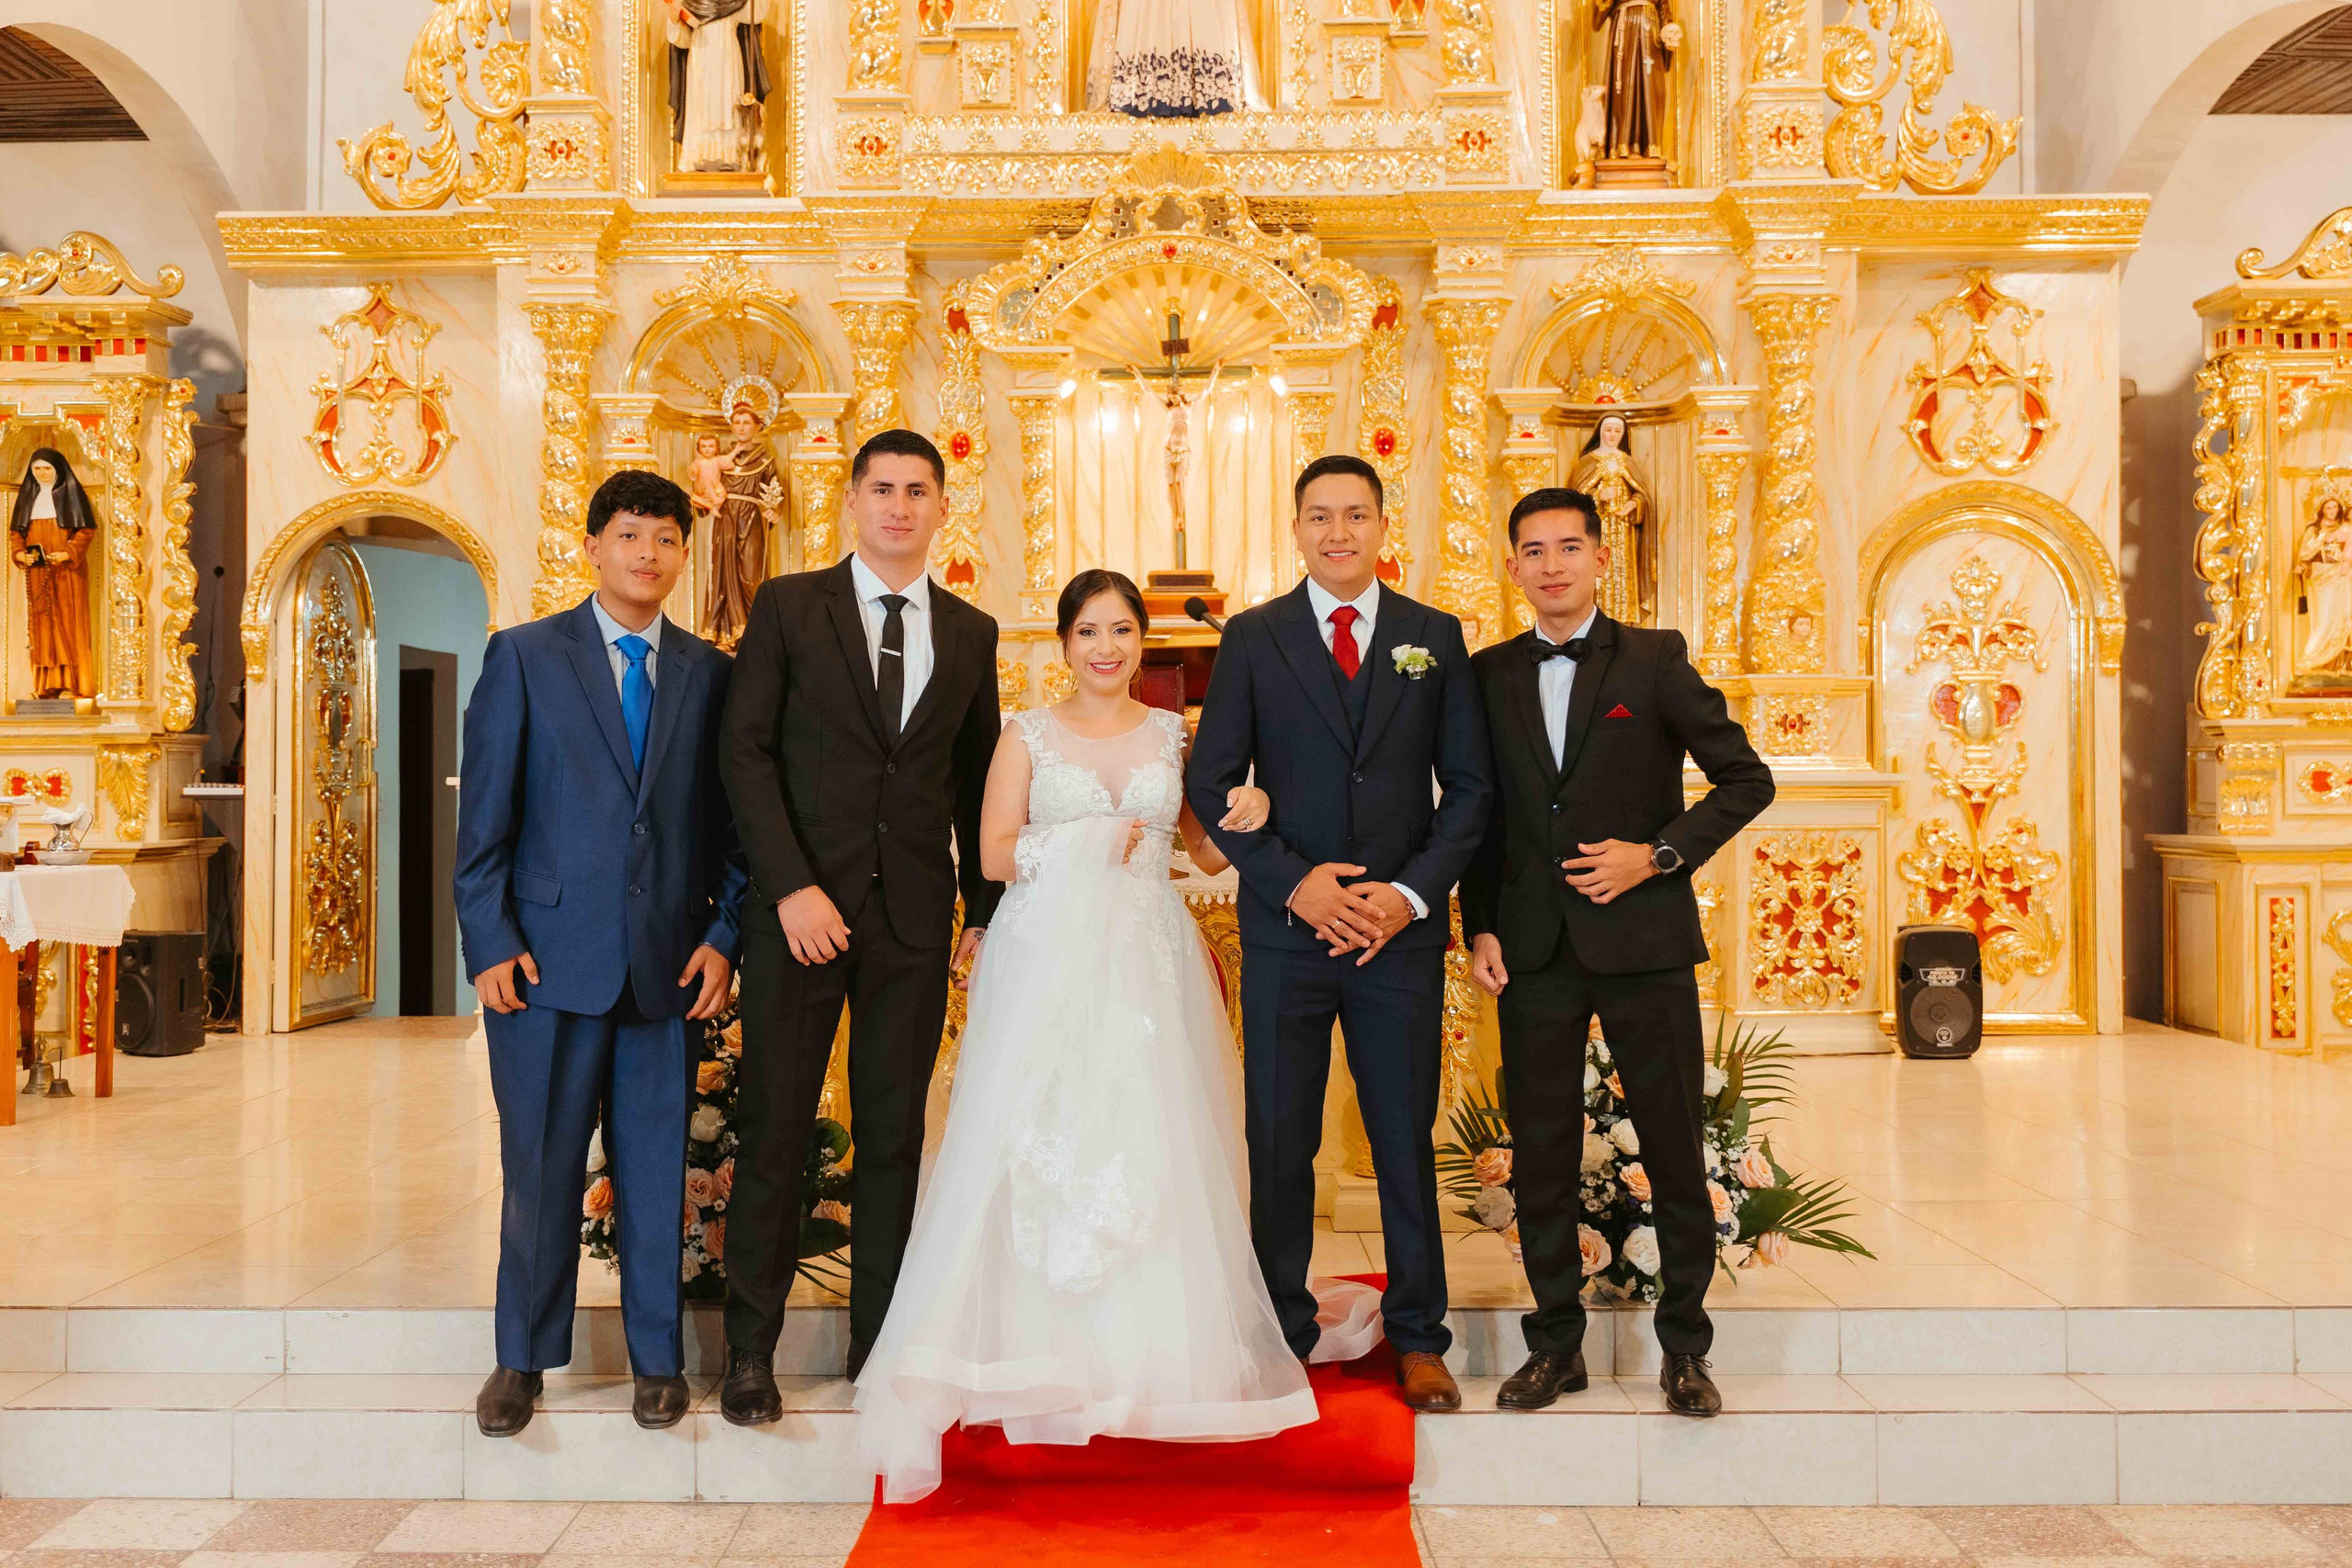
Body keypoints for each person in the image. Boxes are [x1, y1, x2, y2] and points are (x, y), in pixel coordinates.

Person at [855, 570, 1378, 1503]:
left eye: (1122, 632)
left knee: (1148, 1135)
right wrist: (1092, 841)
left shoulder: (1172, 735)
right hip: (1044, 961)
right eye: (1089, 630)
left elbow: (1207, 849)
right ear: (1063, 642)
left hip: (1144, 961)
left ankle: (1152, 1355)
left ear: (1142, 644)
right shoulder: (1025, 735)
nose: (1106, 647)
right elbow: (995, 853)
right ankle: (1033, 1350)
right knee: (1038, 1136)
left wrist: (1253, 811)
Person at [1185, 454, 1495, 1415]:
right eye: (1319, 517)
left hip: (1395, 938)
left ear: (1380, 525)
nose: (1337, 533)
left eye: (1354, 515)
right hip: (1288, 932)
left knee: (1402, 1135)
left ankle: (1418, 1337)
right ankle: (1277, 1329)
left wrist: (1405, 896)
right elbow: (1210, 780)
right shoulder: (1253, 636)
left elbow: (1473, 790)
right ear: (1296, 529)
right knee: (1278, 1138)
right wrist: (1294, 883)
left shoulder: (1432, 638)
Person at [1462, 487, 1774, 1419]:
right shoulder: (1485, 675)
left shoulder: (1654, 659)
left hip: (1643, 946)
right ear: (1512, 567)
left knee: (1674, 1146)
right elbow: (1479, 817)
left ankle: (1685, 1349)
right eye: (1532, 550)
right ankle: (1554, 1346)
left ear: (1601, 559)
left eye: (1568, 547)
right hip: (1530, 949)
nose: (1551, 565)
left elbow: (1744, 779)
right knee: (1544, 1154)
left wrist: (1658, 855)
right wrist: (1475, 923)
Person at [717, 429, 1001, 1425]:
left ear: (939, 507)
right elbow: (744, 753)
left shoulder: (970, 632)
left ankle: (876, 1347)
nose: (898, 507)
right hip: (801, 917)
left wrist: (986, 907)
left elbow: (976, 782)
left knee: (891, 1138)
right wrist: (789, 885)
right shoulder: (792, 607)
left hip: (913, 922)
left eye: (918, 491)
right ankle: (749, 1350)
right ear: (850, 498)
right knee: (777, 1130)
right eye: (882, 488)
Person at [455, 468, 747, 1438]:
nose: (647, 555)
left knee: (656, 1173)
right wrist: (490, 938)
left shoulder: (709, 674)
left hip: (664, 970)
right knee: (537, 1171)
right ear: (591, 546)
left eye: (665, 539)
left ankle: (657, 1364)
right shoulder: (526, 656)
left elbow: (732, 830)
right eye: (629, 536)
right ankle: (521, 1360)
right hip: (542, 966)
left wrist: (721, 936)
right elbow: (483, 821)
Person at [7, 447, 98, 699]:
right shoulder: (28, 497)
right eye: (37, 469)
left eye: (47, 468)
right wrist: (19, 554)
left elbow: (86, 530)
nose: (42, 473)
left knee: (69, 625)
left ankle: (72, 685)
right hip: (38, 574)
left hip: (67, 573)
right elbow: (17, 534)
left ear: (58, 470)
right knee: (42, 627)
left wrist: (68, 553)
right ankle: (45, 686)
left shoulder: (70, 494)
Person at [706, 402, 782, 649]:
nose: (741, 427)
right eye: (736, 422)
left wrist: (773, 508)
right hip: (725, 519)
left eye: (746, 422)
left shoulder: (765, 458)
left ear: (757, 426)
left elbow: (774, 489)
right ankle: (727, 633)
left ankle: (756, 629)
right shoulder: (720, 458)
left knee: (751, 575)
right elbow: (705, 485)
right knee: (722, 573)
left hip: (751, 520)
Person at [2297, 492, 2352, 675]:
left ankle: (2336, 663)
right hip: (2321, 578)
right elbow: (2304, 554)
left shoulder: (2345, 527)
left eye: (2334, 507)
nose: (2331, 511)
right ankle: (2312, 659)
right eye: (2328, 508)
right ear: (2321, 510)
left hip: (2340, 577)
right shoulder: (2313, 529)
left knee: (2342, 617)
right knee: (2322, 620)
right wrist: (2321, 536)